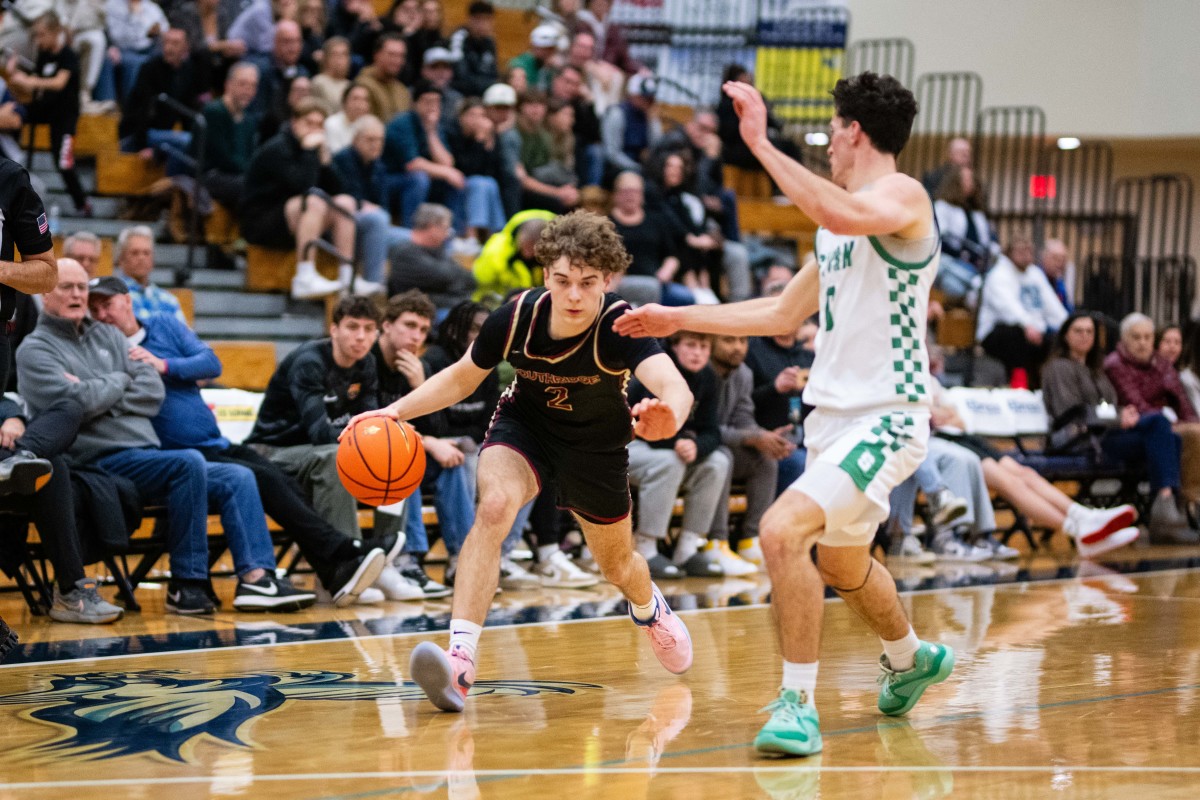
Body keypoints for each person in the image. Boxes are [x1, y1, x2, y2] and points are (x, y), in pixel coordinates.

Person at [615, 72, 956, 756]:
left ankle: (797, 703)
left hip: (886, 417)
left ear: (854, 131)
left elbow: (842, 213)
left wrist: (759, 145)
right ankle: (912, 656)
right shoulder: (836, 229)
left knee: (778, 533)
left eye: (832, 128)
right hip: (831, 420)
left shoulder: (902, 196)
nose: (829, 141)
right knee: (840, 562)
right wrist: (675, 314)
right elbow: (778, 313)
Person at [345, 210, 697, 713]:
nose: (574, 295)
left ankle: (649, 608)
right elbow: (464, 377)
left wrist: (671, 417)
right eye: (562, 280)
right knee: (494, 508)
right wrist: (395, 411)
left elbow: (673, 385)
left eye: (588, 282)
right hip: (525, 427)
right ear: (544, 272)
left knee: (618, 566)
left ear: (608, 279)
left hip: (595, 448)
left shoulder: (620, 323)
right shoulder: (515, 317)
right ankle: (460, 659)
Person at [86, 275, 394, 606]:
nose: (101, 314)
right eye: (95, 309)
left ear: (127, 301)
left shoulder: (162, 324)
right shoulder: (108, 349)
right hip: (175, 452)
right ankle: (340, 552)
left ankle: (337, 570)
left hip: (212, 440)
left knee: (281, 480)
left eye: (107, 305)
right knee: (263, 479)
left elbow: (211, 363)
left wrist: (164, 364)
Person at [1042, 311, 1192, 544]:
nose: (1084, 336)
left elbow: (1108, 405)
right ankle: (1165, 511)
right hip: (1080, 441)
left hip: (1105, 436)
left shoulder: (1096, 368)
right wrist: (1116, 418)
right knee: (1158, 422)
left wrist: (1123, 413)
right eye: (1078, 331)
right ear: (1065, 336)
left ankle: (1169, 508)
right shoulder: (1058, 368)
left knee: (1173, 439)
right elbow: (1070, 412)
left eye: (1089, 331)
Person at [627, 330, 730, 578]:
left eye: (704, 347)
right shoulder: (660, 371)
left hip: (672, 448)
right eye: (691, 345)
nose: (697, 353)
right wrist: (679, 442)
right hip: (629, 445)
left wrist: (696, 446)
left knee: (717, 462)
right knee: (669, 461)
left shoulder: (708, 377)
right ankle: (646, 548)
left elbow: (712, 431)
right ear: (674, 346)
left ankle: (687, 548)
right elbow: (642, 427)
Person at [239, 98, 357, 299]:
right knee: (313, 200)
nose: (314, 130)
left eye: (319, 125)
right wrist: (310, 152)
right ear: (295, 123)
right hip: (261, 221)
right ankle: (305, 276)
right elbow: (303, 186)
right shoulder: (277, 148)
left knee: (345, 203)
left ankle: (347, 278)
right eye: (308, 123)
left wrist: (326, 163)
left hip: (296, 218)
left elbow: (339, 190)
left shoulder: (314, 149)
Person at [707, 333, 793, 573]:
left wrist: (766, 436)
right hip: (698, 448)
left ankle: (750, 540)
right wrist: (752, 437)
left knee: (765, 458)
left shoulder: (743, 373)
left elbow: (744, 418)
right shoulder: (700, 371)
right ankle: (717, 541)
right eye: (729, 340)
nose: (737, 348)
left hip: (726, 445)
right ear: (712, 341)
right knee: (722, 456)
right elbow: (705, 429)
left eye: (743, 341)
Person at [1105, 312, 1200, 521]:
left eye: (1148, 337)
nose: (1143, 343)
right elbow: (1136, 404)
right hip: (1129, 432)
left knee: (1190, 432)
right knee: (1168, 430)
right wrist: (1173, 423)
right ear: (1124, 340)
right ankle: (1175, 506)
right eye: (1136, 337)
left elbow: (1184, 404)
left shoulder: (1161, 364)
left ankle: (1185, 505)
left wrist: (1189, 422)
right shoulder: (1115, 364)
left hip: (1162, 428)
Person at [7, 12, 92, 216]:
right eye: (36, 36)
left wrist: (29, 81)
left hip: (65, 116)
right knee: (13, 116)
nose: (39, 40)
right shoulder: (44, 56)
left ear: (55, 33)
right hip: (44, 109)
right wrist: (14, 75)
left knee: (63, 161)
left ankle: (82, 204)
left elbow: (58, 83)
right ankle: (13, 163)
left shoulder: (67, 55)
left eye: (42, 35)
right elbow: (35, 85)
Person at [976, 237, 1068, 387]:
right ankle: (1019, 385)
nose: (1026, 255)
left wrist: (1068, 325)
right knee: (1016, 336)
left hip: (1034, 331)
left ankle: (1045, 386)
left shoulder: (1035, 274)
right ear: (1009, 253)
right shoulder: (999, 274)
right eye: (1021, 251)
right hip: (996, 332)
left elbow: (1052, 307)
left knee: (1056, 340)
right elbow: (1007, 308)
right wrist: (1027, 325)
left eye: (1029, 251)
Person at [387, 203, 476, 307]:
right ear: (432, 227)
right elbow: (444, 276)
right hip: (416, 309)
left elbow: (468, 278)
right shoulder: (405, 252)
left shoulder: (437, 249)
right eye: (446, 228)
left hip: (442, 302)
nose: (448, 233)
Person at [471, 209, 554, 306]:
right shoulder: (496, 251)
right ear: (520, 237)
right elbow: (481, 281)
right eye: (525, 246)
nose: (527, 253)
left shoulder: (555, 256)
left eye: (532, 249)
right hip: (499, 302)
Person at [114, 225, 187, 322]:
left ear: (152, 260)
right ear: (121, 259)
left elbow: (185, 335)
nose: (141, 258)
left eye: (146, 253)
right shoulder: (113, 297)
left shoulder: (169, 300)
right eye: (135, 253)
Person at [447, 1, 497, 99]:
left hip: (482, 92)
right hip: (460, 93)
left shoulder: (490, 43)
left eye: (487, 20)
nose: (483, 24)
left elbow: (493, 74)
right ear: (470, 20)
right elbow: (460, 76)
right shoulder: (458, 38)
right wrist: (486, 84)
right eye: (479, 20)